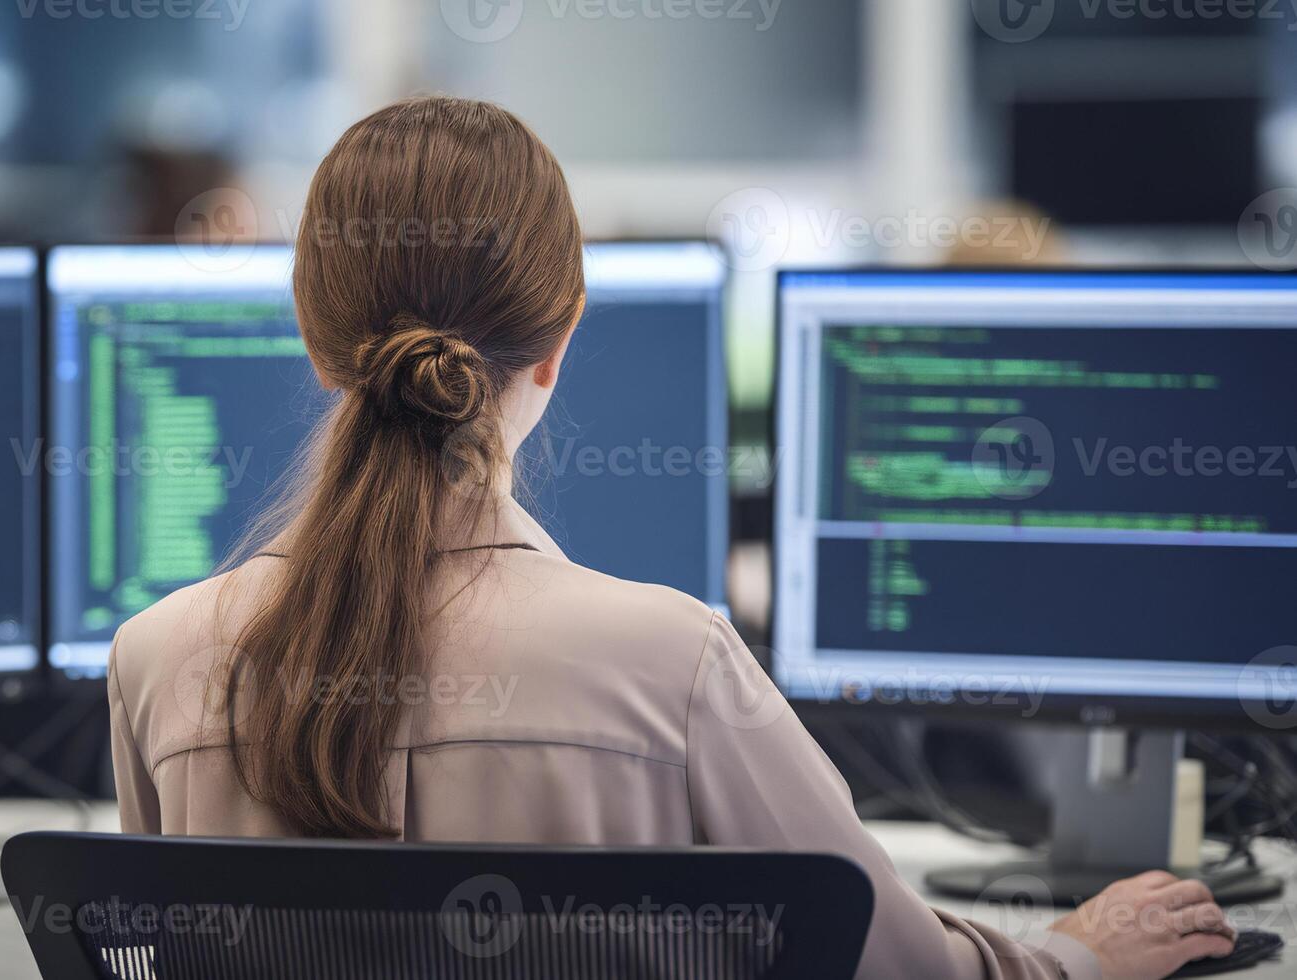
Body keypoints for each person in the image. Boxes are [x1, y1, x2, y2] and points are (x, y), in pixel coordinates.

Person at [107, 95, 1233, 980]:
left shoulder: (154, 663)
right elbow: (893, 964)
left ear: (315, 342)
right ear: (558, 341)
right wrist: (1074, 954)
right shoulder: (672, 663)